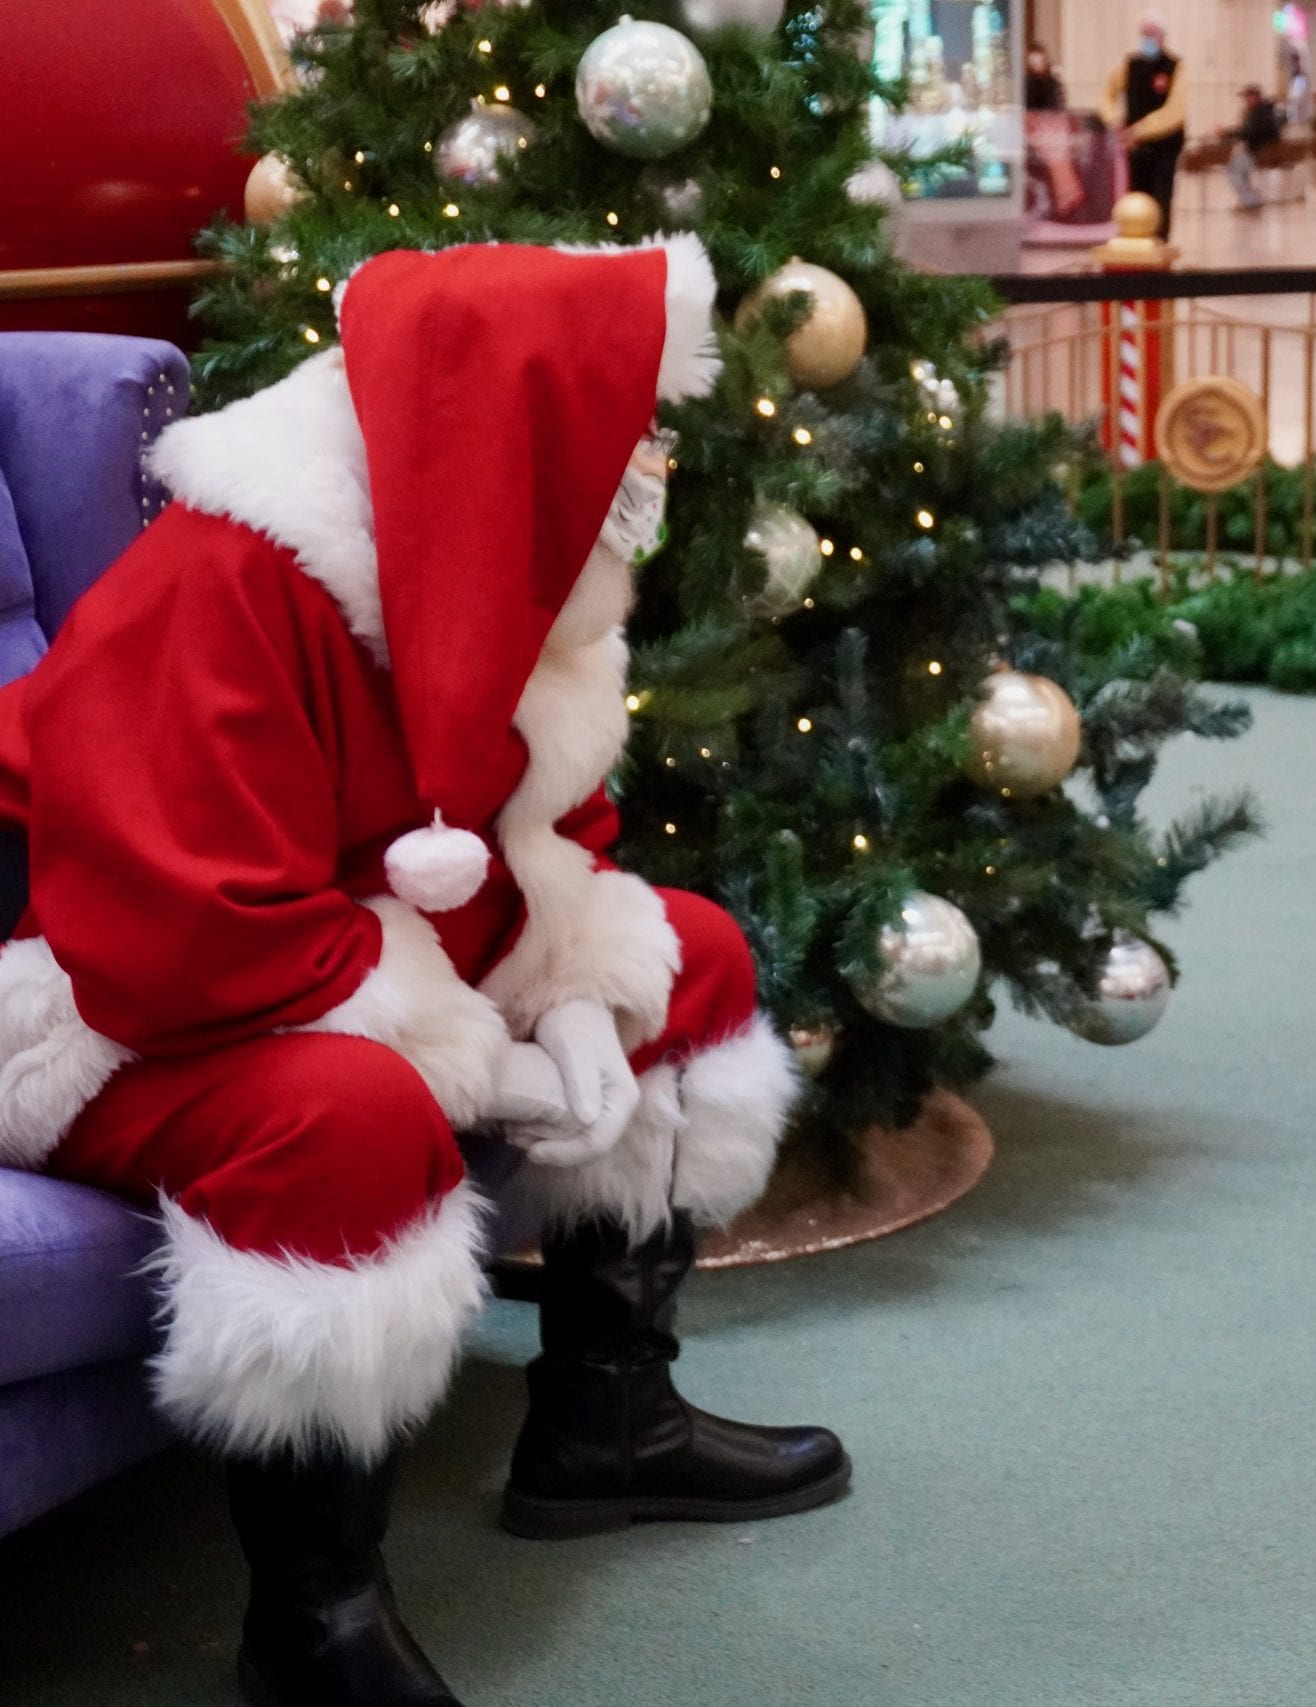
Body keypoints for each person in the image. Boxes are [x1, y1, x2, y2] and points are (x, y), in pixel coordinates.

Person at [0, 237, 831, 1706]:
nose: (653, 455)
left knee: (686, 953)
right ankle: (309, 1614)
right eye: (630, 418)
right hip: (101, 996)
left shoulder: (521, 566)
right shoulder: (227, 580)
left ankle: (605, 1418)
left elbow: (553, 833)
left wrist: (574, 989)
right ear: (525, 427)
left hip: (336, 942)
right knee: (349, 1109)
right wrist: (489, 1055)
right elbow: (178, 924)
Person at [1105, 10, 1187, 240]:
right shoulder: (1129, 65)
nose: (1147, 38)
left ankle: (1160, 241)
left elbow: (1175, 112)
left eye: (1152, 33)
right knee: (1137, 194)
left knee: (1161, 196)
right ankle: (1136, 240)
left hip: (1165, 147)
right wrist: (1115, 120)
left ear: (1162, 36)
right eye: (1144, 34)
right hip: (1135, 146)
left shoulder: (1175, 67)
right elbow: (1108, 95)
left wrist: (1139, 129)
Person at [1223, 83, 1285, 211]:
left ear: (1255, 97)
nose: (1245, 101)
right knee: (1238, 169)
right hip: (1261, 151)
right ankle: (1251, 199)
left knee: (1232, 171)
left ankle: (1251, 201)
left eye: (1247, 97)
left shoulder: (1259, 113)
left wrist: (1226, 133)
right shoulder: (1266, 110)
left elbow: (1249, 133)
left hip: (1258, 152)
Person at [1024, 42, 1064, 112]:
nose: (1037, 66)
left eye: (1040, 62)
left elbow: (1056, 107)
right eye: (1033, 63)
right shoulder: (1024, 84)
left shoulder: (1053, 84)